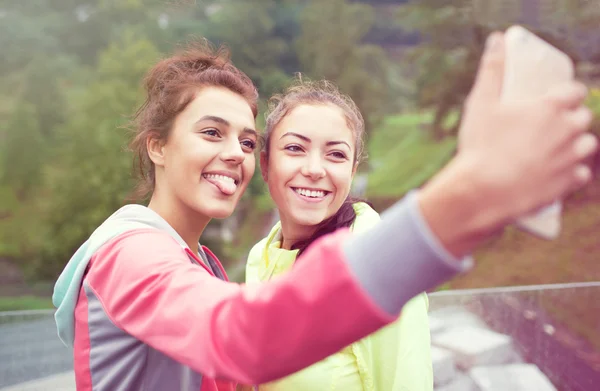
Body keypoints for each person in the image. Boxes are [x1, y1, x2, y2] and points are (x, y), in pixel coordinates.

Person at [52, 32, 596, 391]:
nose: (232, 154)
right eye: (211, 133)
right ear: (157, 146)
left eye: (244, 139)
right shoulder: (133, 254)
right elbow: (242, 337)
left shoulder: (203, 265)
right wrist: (462, 203)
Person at [245, 78, 432, 391]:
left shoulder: (381, 266)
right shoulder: (260, 257)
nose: (315, 169)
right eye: (295, 148)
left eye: (336, 155)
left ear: (353, 171)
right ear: (265, 164)